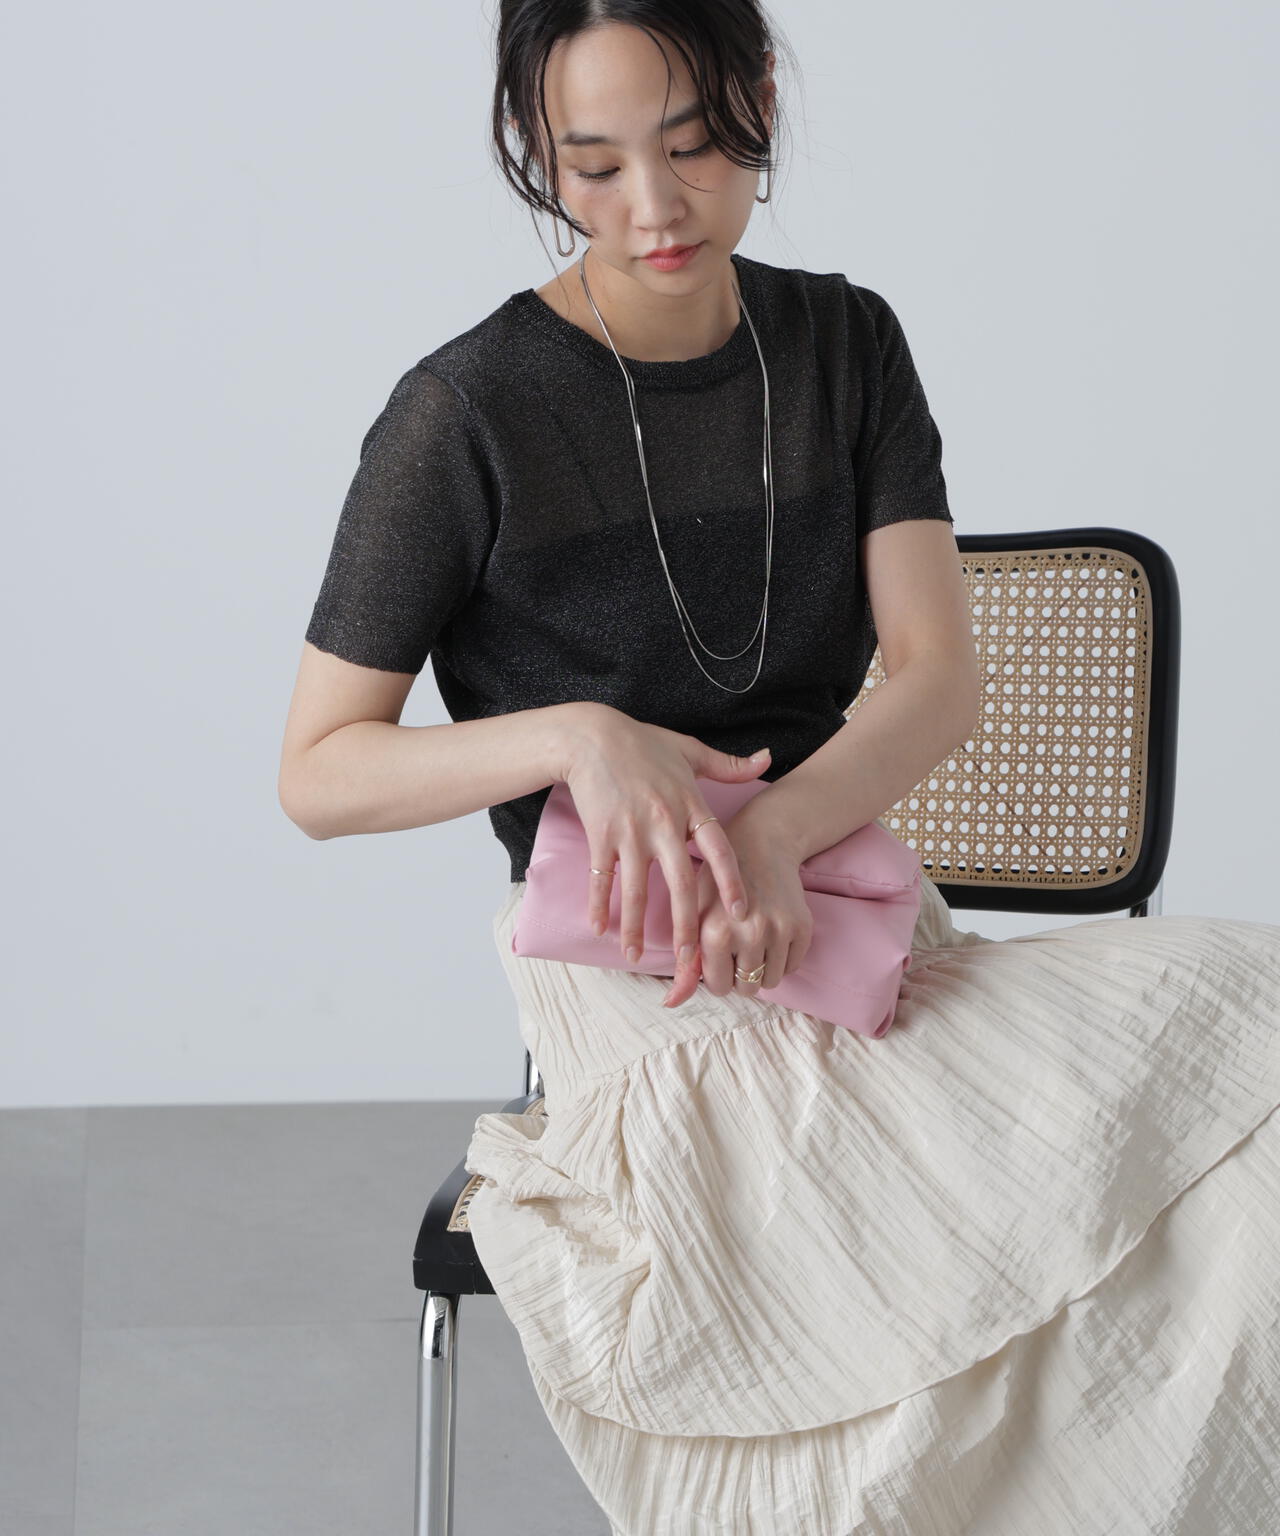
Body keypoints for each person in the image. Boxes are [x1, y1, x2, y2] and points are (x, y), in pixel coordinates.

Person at [279, 3, 1280, 1532]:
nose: (653, 207)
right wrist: (575, 737)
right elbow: (320, 771)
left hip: (868, 943)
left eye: (692, 145)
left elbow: (937, 676)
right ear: (538, 151)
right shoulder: (464, 413)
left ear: (758, 97)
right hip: (644, 990)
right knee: (863, 1334)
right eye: (594, 165)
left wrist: (773, 837)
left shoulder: (844, 345)